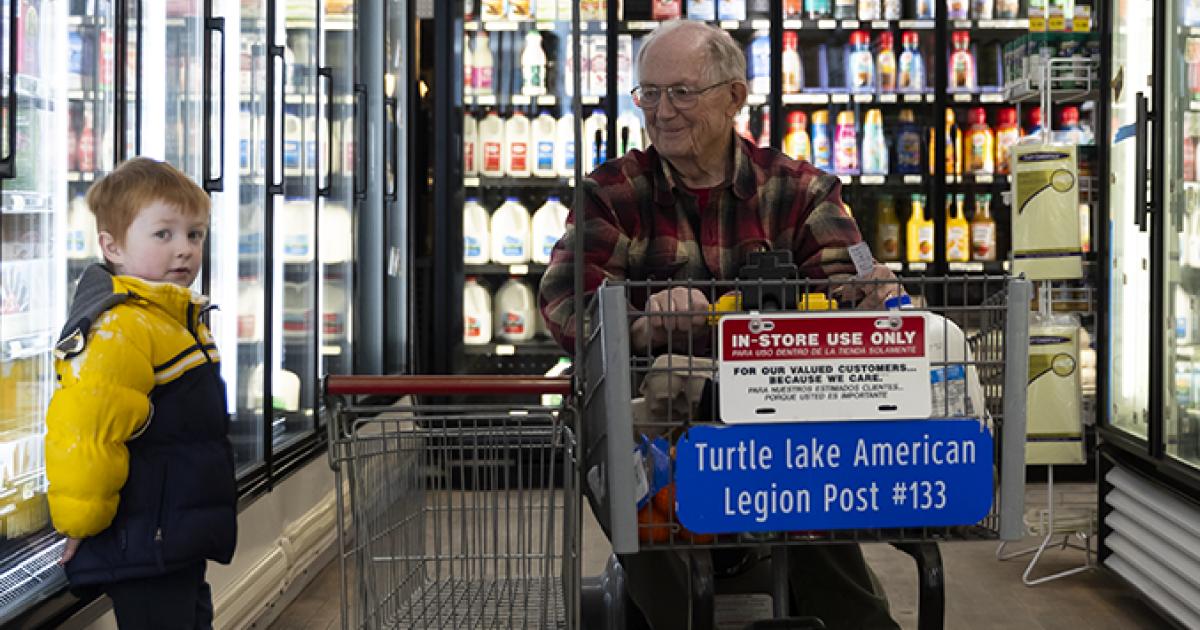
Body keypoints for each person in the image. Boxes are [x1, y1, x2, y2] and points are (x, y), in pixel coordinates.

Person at [538, 19, 902, 630]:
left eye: (681, 92)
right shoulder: (612, 192)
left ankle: (854, 617)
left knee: (817, 485)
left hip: (781, 408)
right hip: (654, 418)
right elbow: (563, 303)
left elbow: (845, 272)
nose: (662, 111)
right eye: (648, 94)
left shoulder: (801, 189)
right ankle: (679, 617)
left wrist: (867, 288)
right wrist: (643, 323)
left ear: (734, 97)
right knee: (619, 463)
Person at [45, 157, 237, 629]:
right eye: (163, 234)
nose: (185, 250)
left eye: (195, 235)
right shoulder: (120, 327)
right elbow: (87, 434)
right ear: (112, 245)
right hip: (144, 540)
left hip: (172, 537)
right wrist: (79, 524)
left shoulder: (170, 319)